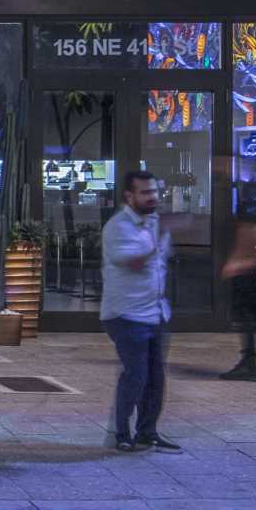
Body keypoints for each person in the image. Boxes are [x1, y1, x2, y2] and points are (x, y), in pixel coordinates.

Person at [100, 170, 181, 454]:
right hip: (125, 314)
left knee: (156, 378)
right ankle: (122, 434)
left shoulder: (155, 223)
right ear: (129, 196)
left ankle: (148, 432)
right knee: (136, 375)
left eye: (155, 191)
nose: (153, 197)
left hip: (156, 313)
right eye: (146, 193)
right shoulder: (118, 227)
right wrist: (157, 242)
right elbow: (133, 262)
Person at [219, 218, 256, 382]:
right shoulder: (250, 227)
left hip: (243, 277)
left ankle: (249, 365)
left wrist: (237, 265)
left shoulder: (246, 227)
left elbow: (246, 251)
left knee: (246, 320)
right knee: (246, 321)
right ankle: (248, 363)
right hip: (244, 275)